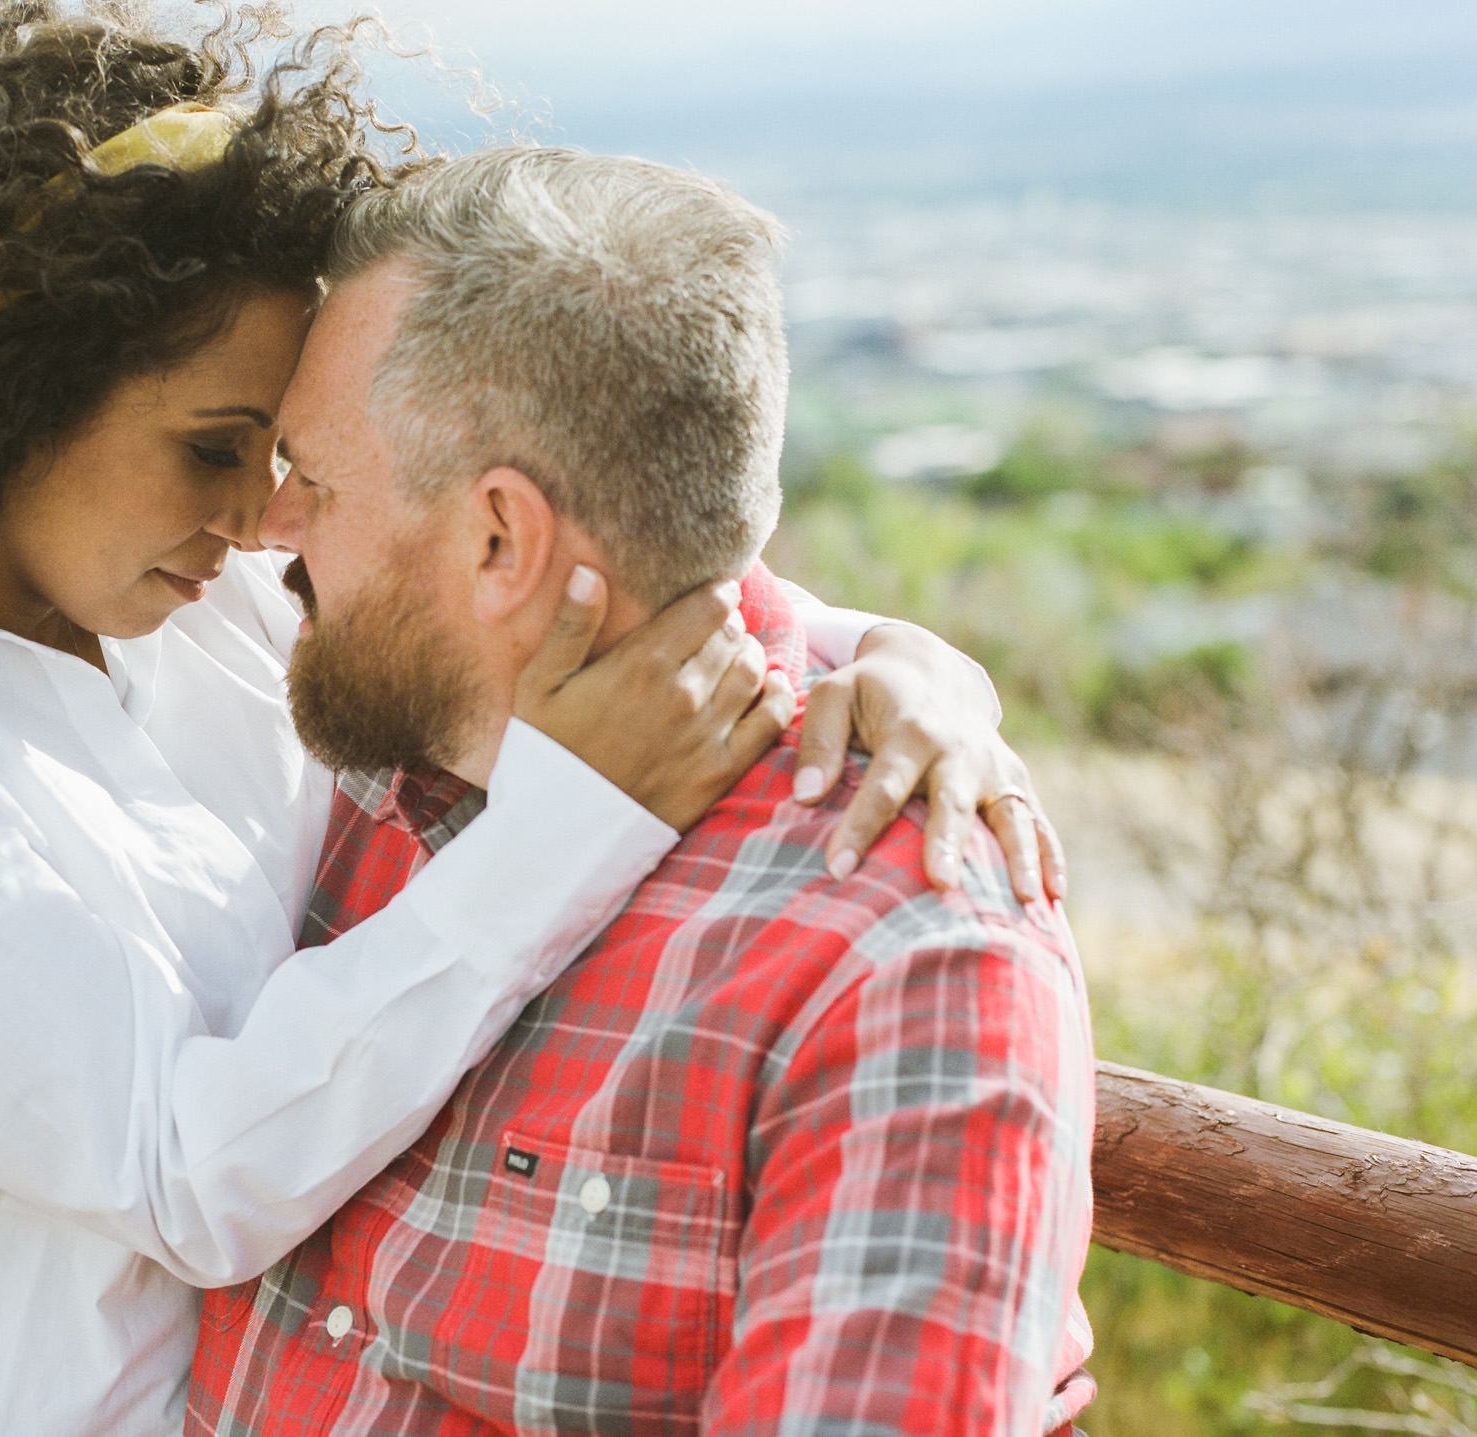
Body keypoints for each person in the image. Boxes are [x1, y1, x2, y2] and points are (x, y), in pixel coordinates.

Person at [0, 7, 1063, 1435]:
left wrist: (905, 665)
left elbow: (594, 562)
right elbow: (183, 1173)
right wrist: (574, 819)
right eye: (213, 448)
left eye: (288, 454)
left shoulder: (188, 608)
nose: (259, 516)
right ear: (3, 400)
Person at [182, 148, 1096, 1437]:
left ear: (500, 541)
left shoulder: (901, 955)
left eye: (313, 480)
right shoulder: (370, 750)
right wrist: (899, 648)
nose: (268, 527)